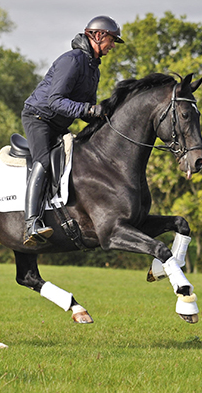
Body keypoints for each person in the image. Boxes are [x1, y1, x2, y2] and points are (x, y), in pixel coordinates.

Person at [21, 15, 124, 246]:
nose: (112, 46)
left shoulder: (93, 69)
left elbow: (84, 111)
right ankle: (31, 223)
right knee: (44, 162)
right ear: (97, 36)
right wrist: (89, 110)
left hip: (58, 124)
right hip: (39, 118)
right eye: (112, 40)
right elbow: (56, 101)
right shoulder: (73, 60)